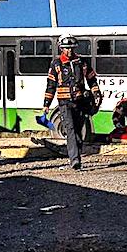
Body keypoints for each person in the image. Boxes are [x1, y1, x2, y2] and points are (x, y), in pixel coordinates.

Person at [44, 34, 102, 169]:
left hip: (80, 101)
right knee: (70, 129)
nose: (69, 51)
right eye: (66, 48)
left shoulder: (82, 62)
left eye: (71, 48)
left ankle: (77, 153)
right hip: (64, 103)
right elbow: (51, 85)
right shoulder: (56, 64)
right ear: (61, 48)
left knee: (78, 131)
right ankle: (75, 161)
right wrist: (46, 104)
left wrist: (96, 92)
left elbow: (92, 79)